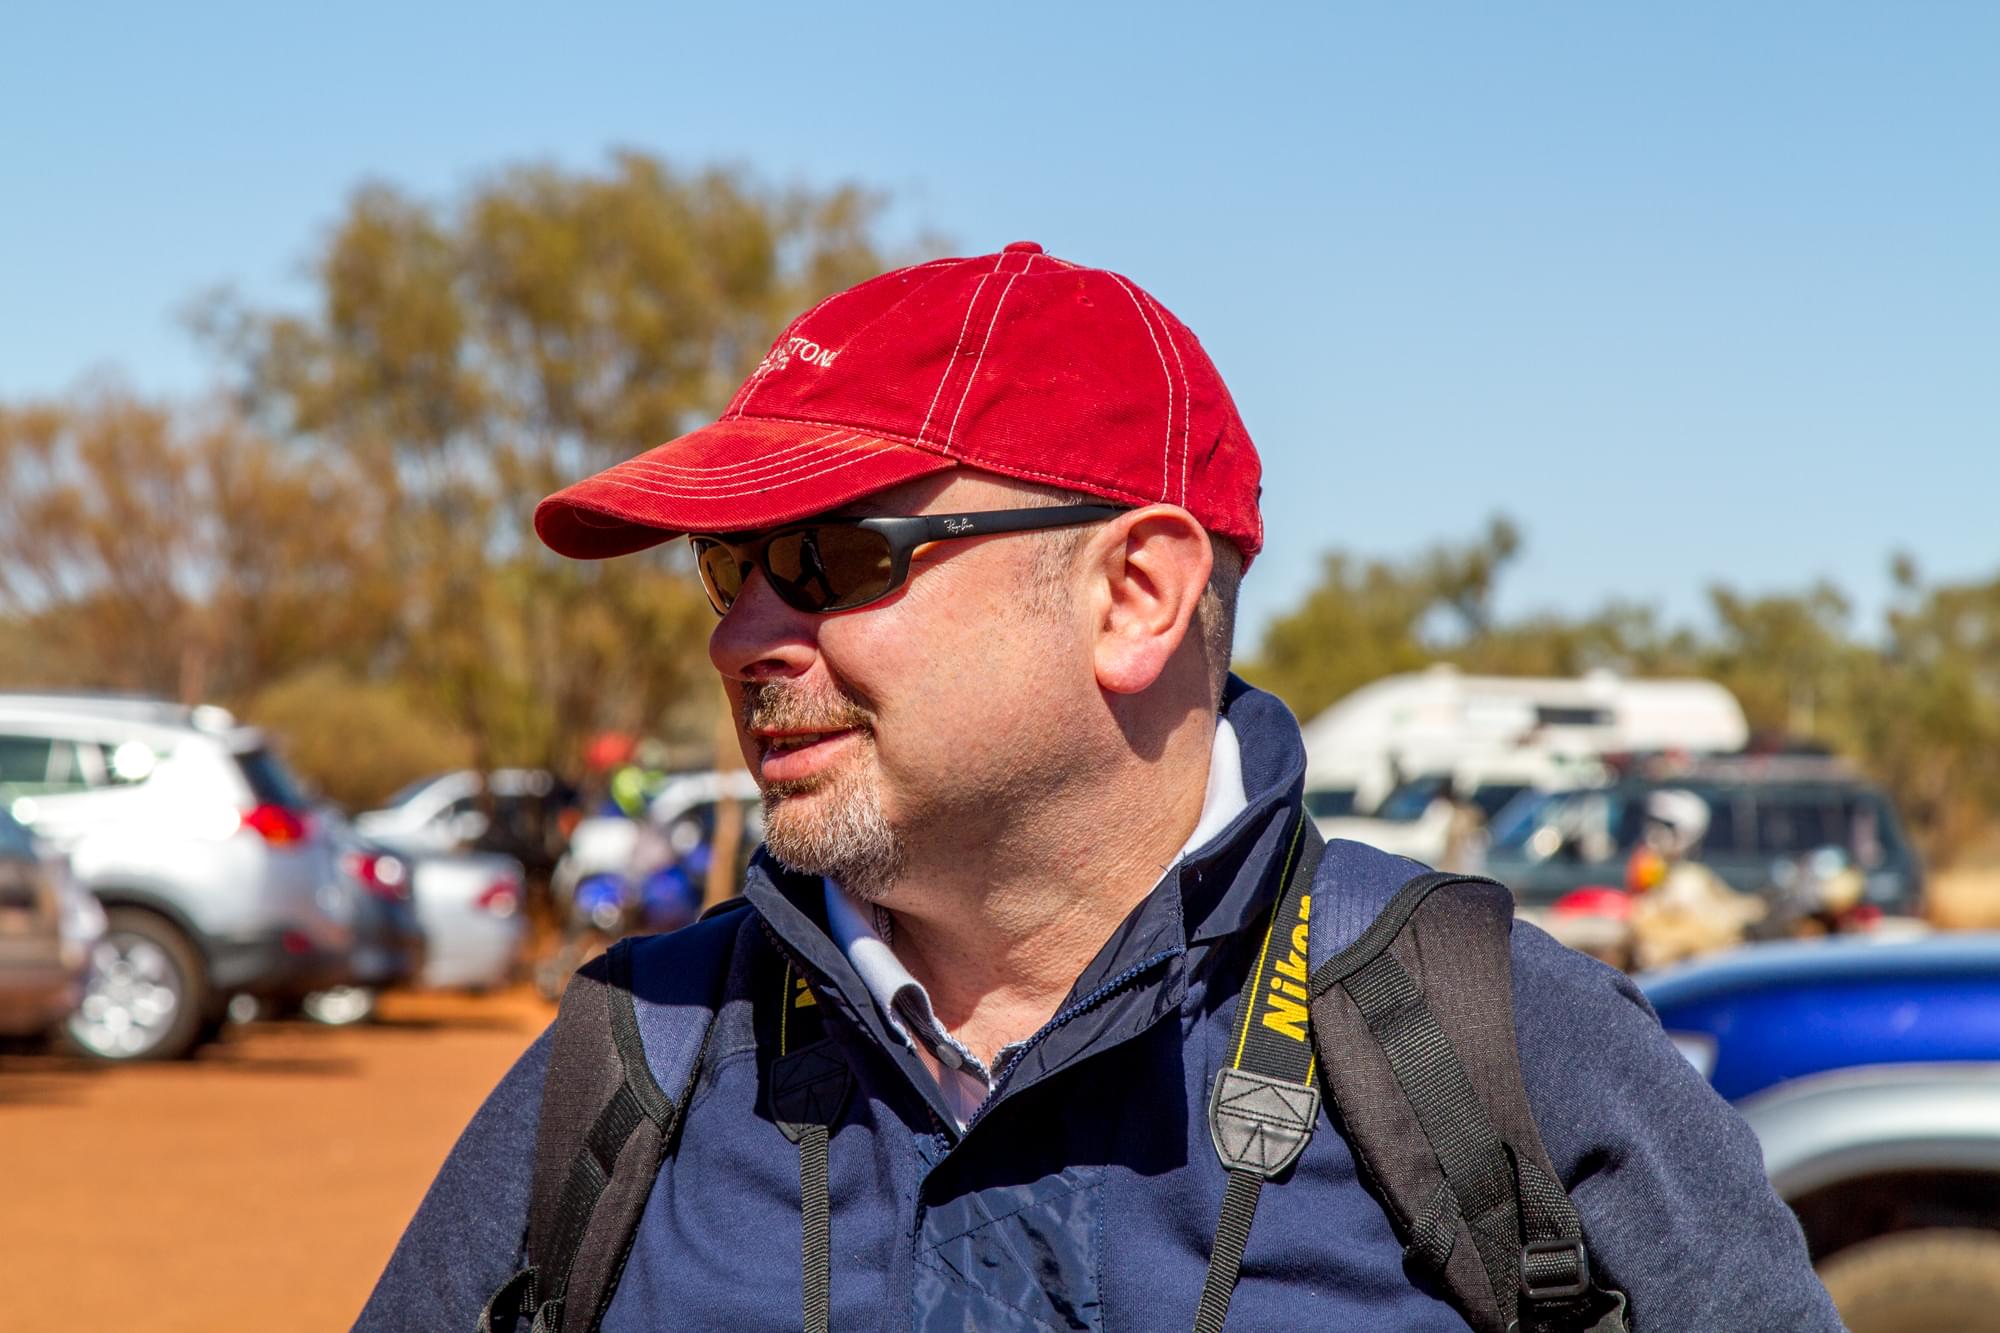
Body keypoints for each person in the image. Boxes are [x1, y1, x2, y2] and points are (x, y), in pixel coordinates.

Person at [358, 243, 1840, 1331]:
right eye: (730, 568)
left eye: (833, 554)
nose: (740, 633)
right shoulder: (635, 1055)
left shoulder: (1497, 1051)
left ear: (1134, 593)